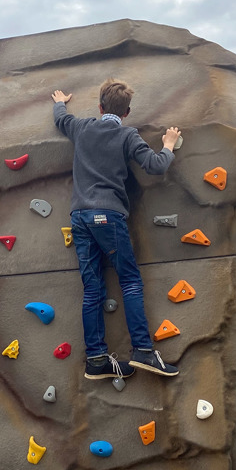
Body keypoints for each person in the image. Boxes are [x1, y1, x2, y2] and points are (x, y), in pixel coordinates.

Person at [52, 78, 181, 380]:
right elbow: (156, 165)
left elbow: (61, 119)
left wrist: (59, 101)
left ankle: (96, 359)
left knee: (93, 289)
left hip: (80, 217)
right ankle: (143, 352)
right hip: (108, 215)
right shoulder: (127, 135)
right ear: (127, 112)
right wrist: (169, 145)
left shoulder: (82, 127)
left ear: (99, 107)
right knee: (130, 282)